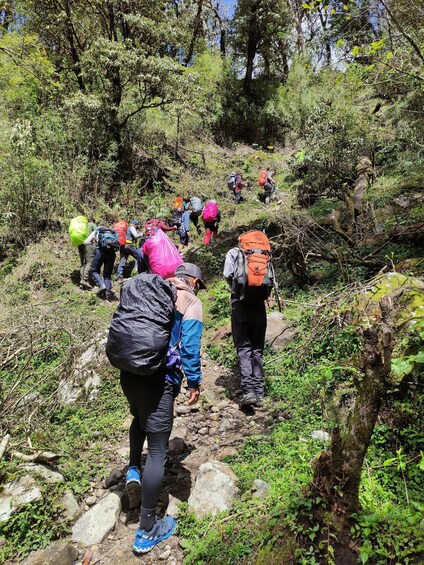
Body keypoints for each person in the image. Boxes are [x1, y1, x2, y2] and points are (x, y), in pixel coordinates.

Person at [120, 262, 205, 554]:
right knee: (157, 450)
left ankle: (132, 468)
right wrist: (194, 382)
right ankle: (147, 529)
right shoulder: (191, 302)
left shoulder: (148, 289)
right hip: (159, 379)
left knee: (138, 418)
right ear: (193, 281)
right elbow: (190, 348)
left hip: (129, 372)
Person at [223, 234, 270, 408]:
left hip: (239, 304)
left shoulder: (234, 253)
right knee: (257, 349)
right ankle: (259, 392)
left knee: (244, 348)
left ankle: (248, 391)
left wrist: (236, 289)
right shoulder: (264, 254)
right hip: (259, 305)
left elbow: (227, 274)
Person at [84, 226, 119, 300]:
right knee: (107, 275)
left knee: (94, 270)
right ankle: (108, 293)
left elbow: (86, 242)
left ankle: (101, 285)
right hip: (111, 254)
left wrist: (92, 243)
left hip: (100, 252)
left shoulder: (97, 231)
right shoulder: (112, 233)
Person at [78, 217, 97, 290]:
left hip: (80, 244)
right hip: (88, 245)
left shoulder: (82, 226)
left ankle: (81, 280)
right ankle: (84, 279)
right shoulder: (92, 224)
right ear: (92, 220)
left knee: (83, 263)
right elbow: (97, 232)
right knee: (89, 262)